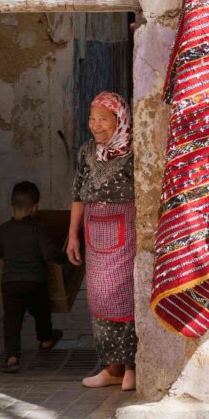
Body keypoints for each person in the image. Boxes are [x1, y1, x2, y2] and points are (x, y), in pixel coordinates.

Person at [67, 91, 137, 390]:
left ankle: (132, 366)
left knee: (126, 296)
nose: (96, 125)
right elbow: (78, 194)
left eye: (103, 119)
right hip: (95, 233)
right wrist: (72, 234)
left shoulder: (135, 153)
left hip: (126, 231)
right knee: (98, 297)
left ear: (119, 120)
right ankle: (111, 368)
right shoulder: (86, 152)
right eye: (92, 119)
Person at [0, 181, 64, 373]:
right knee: (41, 311)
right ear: (35, 208)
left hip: (10, 283)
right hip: (35, 281)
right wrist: (64, 258)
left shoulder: (3, 230)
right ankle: (46, 339)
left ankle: (12, 357)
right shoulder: (37, 228)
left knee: (12, 319)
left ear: (12, 207)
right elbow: (49, 255)